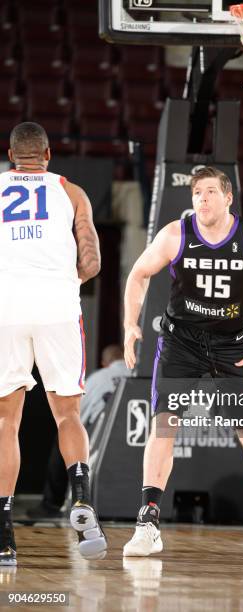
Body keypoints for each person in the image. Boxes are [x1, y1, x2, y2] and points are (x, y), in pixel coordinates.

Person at [122, 166, 243, 560]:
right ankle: (147, 523)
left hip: (232, 345)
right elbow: (138, 274)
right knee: (163, 425)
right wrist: (129, 324)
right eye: (196, 193)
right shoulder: (176, 234)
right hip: (181, 341)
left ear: (228, 198)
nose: (202, 199)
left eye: (210, 192)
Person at [0, 122, 107, 565]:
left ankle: (4, 532)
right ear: (48, 154)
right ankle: (81, 499)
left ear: (11, 155)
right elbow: (93, 261)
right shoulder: (71, 191)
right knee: (67, 414)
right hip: (57, 305)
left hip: (7, 304)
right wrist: (63, 283)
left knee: (7, 420)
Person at [27, 345, 129, 519]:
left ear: (105, 363)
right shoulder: (137, 377)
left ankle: (53, 504)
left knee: (64, 437)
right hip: (133, 437)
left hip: (99, 437)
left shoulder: (97, 378)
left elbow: (75, 415)